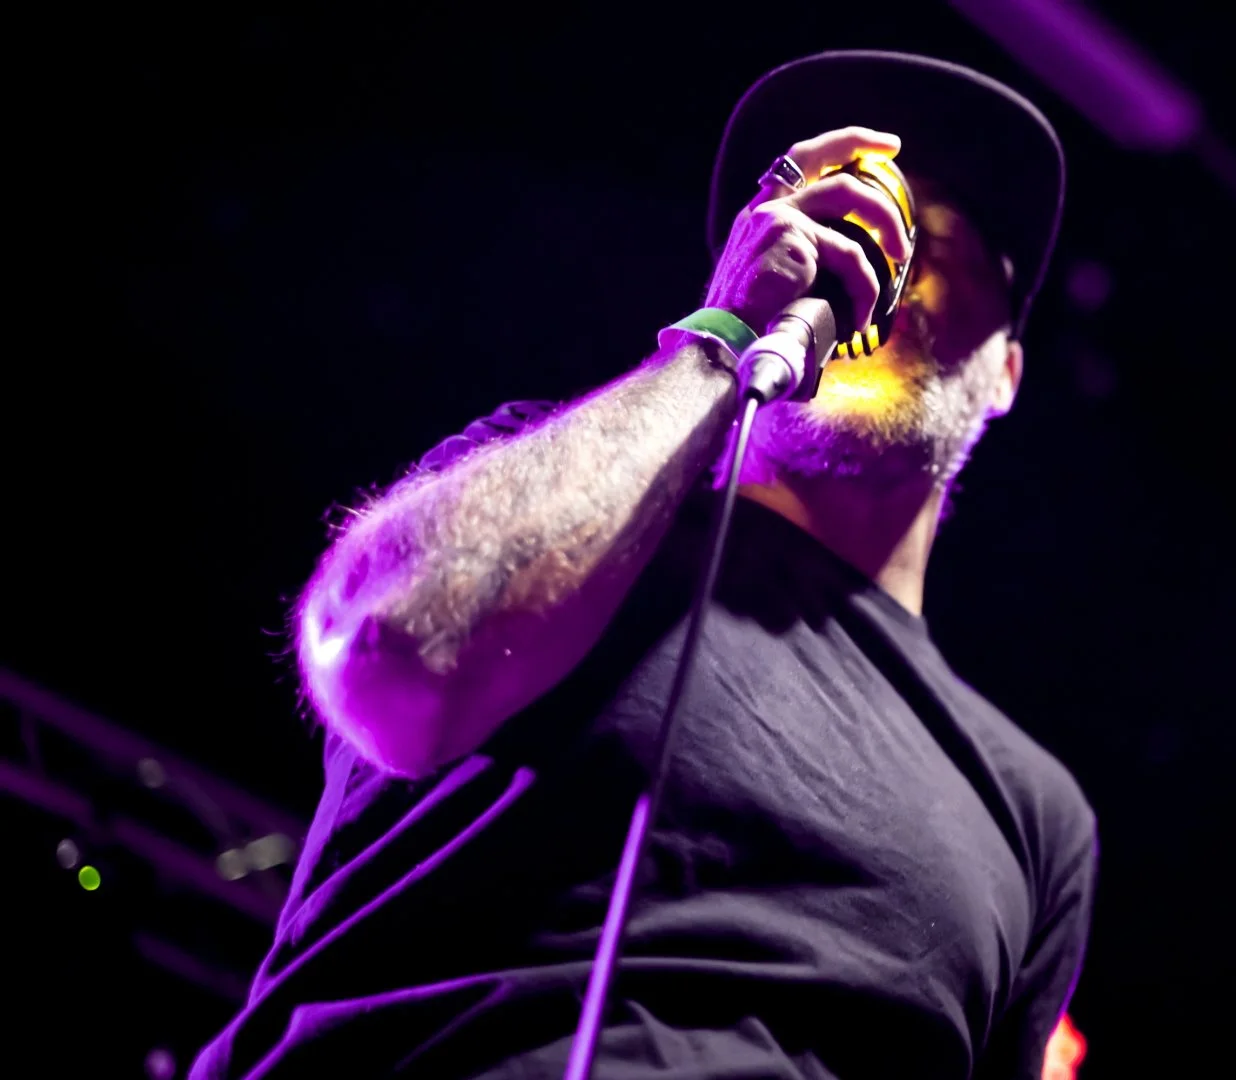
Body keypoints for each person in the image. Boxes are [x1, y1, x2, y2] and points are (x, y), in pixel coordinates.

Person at [191, 51, 1097, 1080]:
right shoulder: (547, 494)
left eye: (943, 235)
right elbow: (394, 657)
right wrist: (721, 340)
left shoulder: (1034, 814)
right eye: (851, 215)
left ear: (1007, 373)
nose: (883, 252)